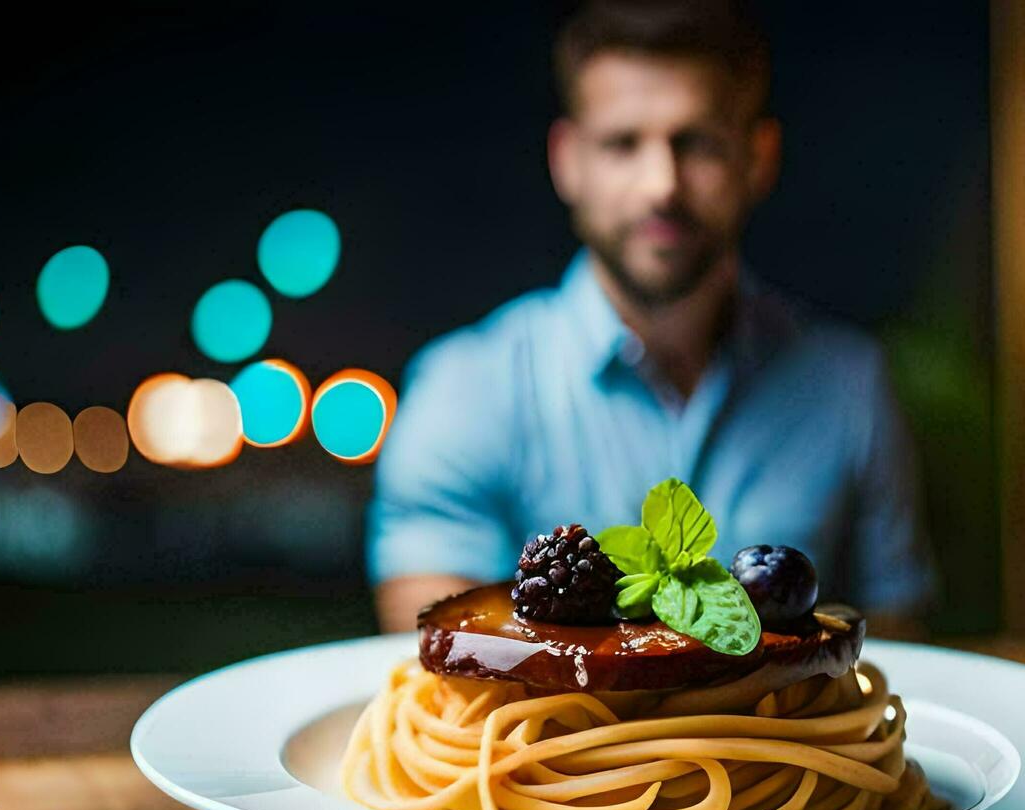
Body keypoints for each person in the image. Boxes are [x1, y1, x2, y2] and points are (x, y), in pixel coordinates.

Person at [369, 0, 936, 634]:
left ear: (760, 157)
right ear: (568, 160)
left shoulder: (848, 387)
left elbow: (895, 656)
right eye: (622, 144)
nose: (661, 183)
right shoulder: (463, 388)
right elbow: (448, 667)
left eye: (697, 144)